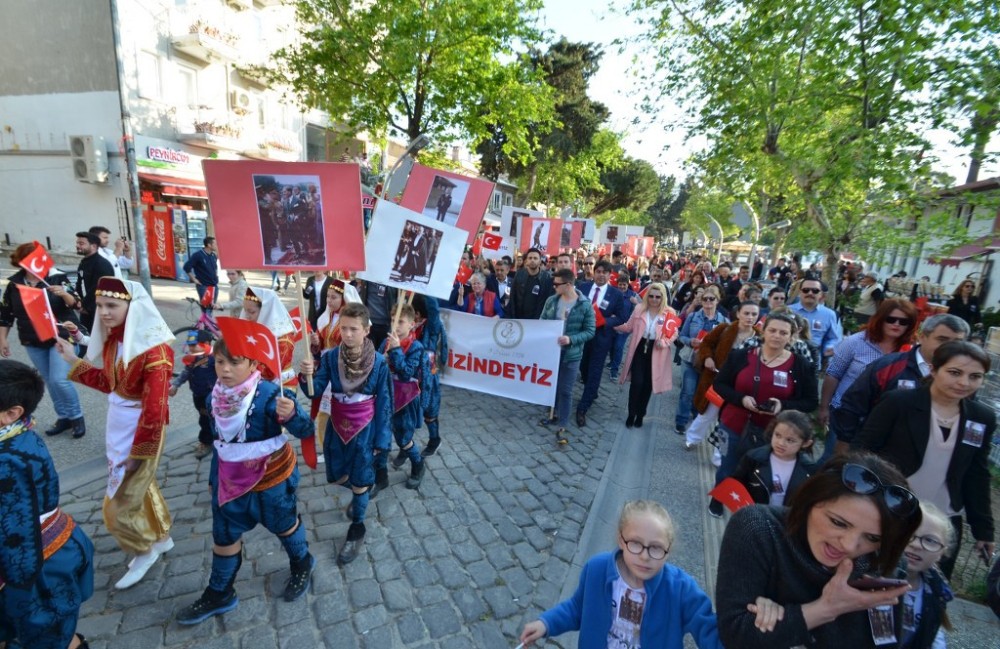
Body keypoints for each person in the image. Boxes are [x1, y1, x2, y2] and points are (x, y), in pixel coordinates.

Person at [175, 336, 316, 625]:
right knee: (224, 536)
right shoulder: (213, 396)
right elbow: (220, 443)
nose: (224, 369)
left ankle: (302, 561)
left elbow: (305, 430)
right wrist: (214, 478)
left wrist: (292, 415)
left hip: (271, 483)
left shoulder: (271, 395)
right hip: (229, 483)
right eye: (219, 361)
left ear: (253, 363)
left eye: (234, 362)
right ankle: (219, 593)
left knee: (285, 526)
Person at [716, 453, 922, 649]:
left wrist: (787, 620)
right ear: (810, 500)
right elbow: (735, 634)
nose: (849, 545)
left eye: (872, 538)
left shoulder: (883, 563)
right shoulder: (759, 528)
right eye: (838, 523)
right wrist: (826, 608)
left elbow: (885, 642)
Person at [58, 277, 174, 590]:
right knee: (141, 489)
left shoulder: (155, 353)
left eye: (112, 305)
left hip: (141, 431)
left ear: (132, 307)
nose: (105, 312)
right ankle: (160, 538)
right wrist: (72, 358)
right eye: (100, 306)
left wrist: (140, 454)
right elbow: (110, 384)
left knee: (117, 505)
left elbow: (153, 411)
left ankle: (143, 550)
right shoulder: (115, 342)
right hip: (118, 424)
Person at [857, 340, 995, 580]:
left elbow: (977, 473)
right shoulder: (899, 403)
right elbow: (863, 451)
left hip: (943, 518)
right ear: (933, 369)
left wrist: (984, 529)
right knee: (875, 575)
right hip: (893, 509)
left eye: (975, 376)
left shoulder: (982, 417)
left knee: (926, 587)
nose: (964, 383)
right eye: (955, 373)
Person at [518, 500, 723, 649]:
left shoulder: (681, 588)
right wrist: (546, 623)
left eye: (656, 548)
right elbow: (577, 608)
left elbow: (709, 629)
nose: (644, 556)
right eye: (635, 543)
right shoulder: (596, 569)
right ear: (620, 540)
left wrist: (750, 629)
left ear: (669, 548)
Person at [0, 359, 95, 649]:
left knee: (48, 636)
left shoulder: (6, 461)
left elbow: (16, 538)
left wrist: (18, 593)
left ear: (11, 413)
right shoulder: (20, 434)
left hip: (37, 566)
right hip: (46, 549)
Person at [298, 303, 392, 564]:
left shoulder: (380, 363)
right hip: (337, 427)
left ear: (366, 330)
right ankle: (362, 488)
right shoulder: (330, 358)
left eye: (353, 329)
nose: (347, 334)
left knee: (360, 480)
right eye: (344, 328)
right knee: (338, 476)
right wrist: (307, 375)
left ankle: (357, 527)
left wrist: (381, 441)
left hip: (365, 429)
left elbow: (385, 403)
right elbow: (315, 390)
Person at [709, 312, 818, 517]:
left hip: (773, 434)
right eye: (773, 330)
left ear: (791, 337)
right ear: (764, 331)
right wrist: (741, 399)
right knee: (726, 467)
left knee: (759, 474)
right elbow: (719, 384)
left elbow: (811, 401)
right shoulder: (740, 356)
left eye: (783, 332)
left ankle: (750, 513)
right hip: (731, 424)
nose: (777, 335)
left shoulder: (801, 365)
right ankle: (719, 498)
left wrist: (782, 405)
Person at [833, 314, 970, 452]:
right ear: (922, 337)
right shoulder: (887, 367)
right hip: (877, 454)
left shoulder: (965, 381)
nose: (949, 347)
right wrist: (844, 443)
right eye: (942, 339)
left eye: (957, 342)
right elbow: (853, 405)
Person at [0, 242, 87, 438]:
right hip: (33, 339)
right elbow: (5, 314)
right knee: (49, 380)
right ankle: (63, 417)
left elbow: (77, 303)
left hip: (61, 336)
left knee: (59, 380)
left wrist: (64, 293)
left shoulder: (56, 277)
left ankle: (76, 416)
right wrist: (2, 339)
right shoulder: (14, 284)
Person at [818, 298, 918, 463]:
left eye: (903, 321)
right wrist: (824, 408)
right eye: (891, 319)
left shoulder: (911, 351)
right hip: (846, 413)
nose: (897, 324)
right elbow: (833, 374)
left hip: (884, 421)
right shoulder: (856, 342)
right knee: (833, 460)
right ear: (881, 318)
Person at [684, 300, 759, 449]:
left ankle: (720, 454)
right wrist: (708, 358)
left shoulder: (760, 338)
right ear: (738, 314)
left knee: (729, 421)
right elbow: (706, 344)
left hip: (741, 387)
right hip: (718, 380)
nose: (750, 317)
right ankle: (692, 438)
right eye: (746, 313)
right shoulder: (725, 328)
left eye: (754, 314)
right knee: (707, 414)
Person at [374, 303, 428, 493]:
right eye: (393, 320)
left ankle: (418, 464)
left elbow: (406, 373)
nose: (395, 326)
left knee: (404, 439)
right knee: (380, 438)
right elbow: (378, 364)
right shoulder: (387, 341)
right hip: (385, 397)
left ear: (412, 324)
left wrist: (396, 351)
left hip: (404, 400)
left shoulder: (417, 347)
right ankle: (380, 477)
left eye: (401, 322)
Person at [540, 268, 596, 444]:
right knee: (552, 384)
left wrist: (571, 339)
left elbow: (590, 331)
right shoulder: (552, 300)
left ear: (569, 284)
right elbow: (542, 321)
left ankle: (563, 422)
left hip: (572, 354)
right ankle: (553, 413)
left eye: (557, 284)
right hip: (552, 351)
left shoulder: (584, 305)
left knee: (566, 390)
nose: (554, 286)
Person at [614, 282, 678, 428]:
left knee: (648, 385)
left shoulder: (670, 312)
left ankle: (641, 414)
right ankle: (631, 413)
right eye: (651, 296)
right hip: (639, 348)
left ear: (663, 297)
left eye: (658, 296)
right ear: (647, 296)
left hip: (656, 351)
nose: (654, 299)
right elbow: (628, 326)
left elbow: (673, 333)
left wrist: (665, 341)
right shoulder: (639, 309)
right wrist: (611, 323)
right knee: (637, 383)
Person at [575, 260, 627, 427]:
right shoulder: (582, 287)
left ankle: (583, 407)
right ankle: (592, 390)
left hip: (601, 337)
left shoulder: (616, 294)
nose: (601, 274)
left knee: (595, 370)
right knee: (583, 366)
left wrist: (604, 321)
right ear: (594, 272)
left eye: (605, 272)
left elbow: (621, 317)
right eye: (598, 271)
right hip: (582, 335)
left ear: (610, 275)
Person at [730, 410, 816, 506]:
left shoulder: (810, 469)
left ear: (805, 443)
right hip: (755, 514)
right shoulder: (754, 458)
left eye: (790, 440)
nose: (781, 443)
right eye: (778, 435)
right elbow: (737, 483)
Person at [674, 285, 729, 435]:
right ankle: (681, 420)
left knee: (701, 393)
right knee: (688, 391)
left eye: (712, 299)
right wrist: (690, 341)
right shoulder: (693, 317)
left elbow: (726, 343)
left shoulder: (724, 321)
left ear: (717, 301)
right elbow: (681, 336)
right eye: (705, 299)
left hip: (709, 363)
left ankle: (695, 417)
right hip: (690, 359)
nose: (708, 301)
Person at [900, 503, 954, 649]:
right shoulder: (869, 579)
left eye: (930, 540)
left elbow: (932, 630)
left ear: (941, 553)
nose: (916, 545)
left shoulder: (937, 592)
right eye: (910, 534)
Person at [169, 330, 216, 459]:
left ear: (206, 343)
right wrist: (175, 385)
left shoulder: (214, 357)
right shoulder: (192, 357)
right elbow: (186, 373)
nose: (190, 348)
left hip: (212, 395)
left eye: (194, 345)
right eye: (189, 345)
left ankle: (207, 442)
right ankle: (210, 439)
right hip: (198, 394)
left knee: (208, 419)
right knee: (204, 417)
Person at [413, 294, 448, 457]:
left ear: (419, 313)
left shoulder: (431, 327)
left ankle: (434, 439)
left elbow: (433, 310)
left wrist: (427, 289)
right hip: (411, 378)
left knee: (430, 413)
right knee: (408, 413)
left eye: (412, 312)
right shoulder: (410, 327)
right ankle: (406, 445)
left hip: (428, 379)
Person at [241, 286, 296, 386]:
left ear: (266, 311)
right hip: (257, 381)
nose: (247, 316)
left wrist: (241, 367)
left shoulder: (283, 338)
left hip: (280, 386)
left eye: (251, 312)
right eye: (245, 311)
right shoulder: (254, 326)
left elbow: (271, 372)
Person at [789, 277, 841, 363]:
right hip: (788, 357)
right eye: (806, 290)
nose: (810, 293)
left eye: (815, 291)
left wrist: (829, 347)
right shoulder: (788, 311)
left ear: (821, 294)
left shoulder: (829, 314)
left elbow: (833, 338)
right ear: (799, 292)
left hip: (813, 361)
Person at [73, 231, 115, 332]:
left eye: (81, 243)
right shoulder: (84, 262)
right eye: (77, 243)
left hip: (99, 311)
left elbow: (100, 287)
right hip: (86, 311)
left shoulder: (101, 264)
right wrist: (77, 301)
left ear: (94, 246)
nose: (77, 246)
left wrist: (86, 306)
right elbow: (80, 284)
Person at [610, 274, 639, 381]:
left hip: (625, 326)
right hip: (613, 324)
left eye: (624, 285)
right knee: (612, 346)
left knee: (618, 346)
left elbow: (641, 308)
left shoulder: (633, 295)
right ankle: (612, 361)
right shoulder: (613, 293)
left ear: (628, 285)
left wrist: (636, 303)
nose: (622, 287)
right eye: (620, 285)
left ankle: (614, 370)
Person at [509, 248, 553, 319]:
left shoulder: (547, 278)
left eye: (535, 258)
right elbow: (513, 296)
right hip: (520, 318)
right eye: (530, 258)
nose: (532, 260)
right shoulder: (519, 274)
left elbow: (548, 300)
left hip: (538, 319)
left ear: (540, 261)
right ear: (526, 261)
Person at [183, 237, 219, 303]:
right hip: (204, 286)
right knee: (206, 308)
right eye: (215, 244)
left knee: (212, 307)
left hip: (214, 285)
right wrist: (194, 279)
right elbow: (186, 267)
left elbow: (215, 267)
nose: (217, 245)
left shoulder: (213, 255)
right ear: (209, 245)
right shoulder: (198, 255)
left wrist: (216, 275)